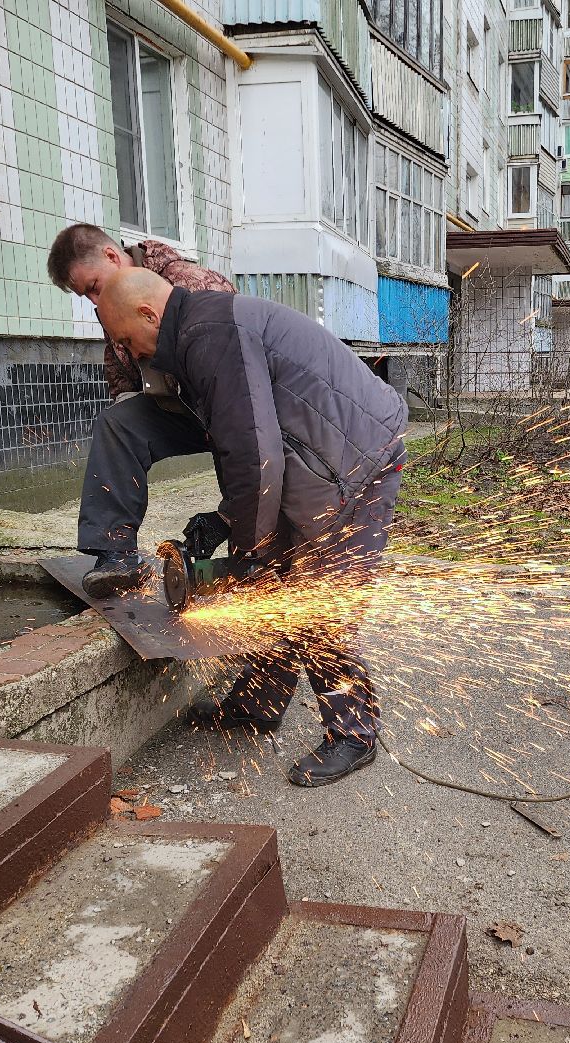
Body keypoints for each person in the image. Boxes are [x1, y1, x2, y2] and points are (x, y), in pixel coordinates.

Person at [77, 267, 407, 788]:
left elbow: (255, 458)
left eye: (125, 339)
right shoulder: (195, 334)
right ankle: (259, 702)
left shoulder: (209, 335)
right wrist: (231, 523)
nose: (129, 354)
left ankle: (354, 732)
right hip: (320, 454)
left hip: (358, 459)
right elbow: (247, 446)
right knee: (278, 578)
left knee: (318, 595)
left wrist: (245, 550)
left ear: (148, 314)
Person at [46, 224, 234, 401]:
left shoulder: (190, 283)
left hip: (218, 408)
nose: (95, 300)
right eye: (85, 295)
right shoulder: (112, 307)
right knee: (117, 419)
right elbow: (121, 382)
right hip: (167, 415)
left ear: (111, 256)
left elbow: (233, 364)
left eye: (94, 287)